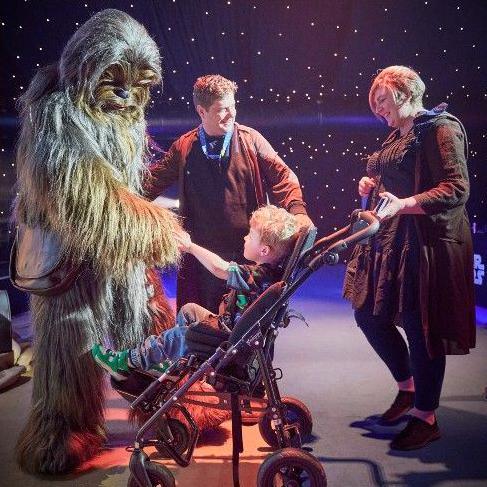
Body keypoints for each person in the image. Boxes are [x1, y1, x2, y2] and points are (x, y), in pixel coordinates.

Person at [343, 65, 475, 450]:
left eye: (381, 100)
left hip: (427, 245)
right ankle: (408, 387)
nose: (377, 109)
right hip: (392, 241)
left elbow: (456, 188)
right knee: (368, 314)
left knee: (421, 329)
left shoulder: (439, 128)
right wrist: (370, 185)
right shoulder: (394, 138)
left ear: (403, 91)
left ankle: (426, 415)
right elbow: (390, 184)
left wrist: (405, 203)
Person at [146, 74, 312, 313]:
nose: (231, 114)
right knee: (196, 329)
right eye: (222, 109)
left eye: (233, 106)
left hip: (246, 252)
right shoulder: (183, 147)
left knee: (246, 330)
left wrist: (298, 211)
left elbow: (283, 177)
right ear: (202, 112)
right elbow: (151, 183)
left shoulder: (251, 140)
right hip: (200, 258)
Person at [92, 205, 298, 379]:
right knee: (189, 310)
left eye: (251, 235)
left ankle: (127, 362)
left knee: (180, 335)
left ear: (264, 250)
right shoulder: (272, 274)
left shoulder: (258, 277)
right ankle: (171, 363)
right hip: (230, 328)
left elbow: (220, 268)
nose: (245, 238)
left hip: (231, 341)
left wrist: (190, 247)